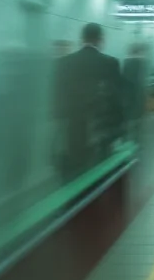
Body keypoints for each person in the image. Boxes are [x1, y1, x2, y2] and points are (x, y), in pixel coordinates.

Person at [53, 23, 123, 180]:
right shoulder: (110, 63)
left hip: (71, 132)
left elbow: (57, 98)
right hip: (100, 132)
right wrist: (117, 131)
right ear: (101, 40)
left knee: (72, 174)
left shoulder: (64, 63)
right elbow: (116, 100)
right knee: (98, 175)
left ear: (81, 39)